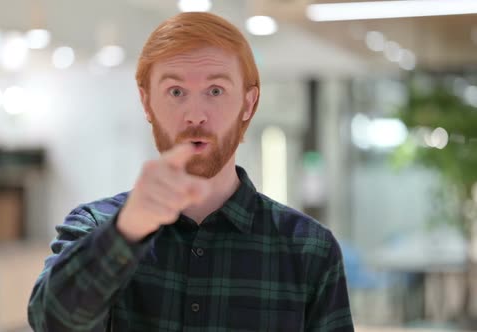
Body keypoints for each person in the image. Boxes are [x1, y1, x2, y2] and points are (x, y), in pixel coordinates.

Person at [28, 11, 353, 332]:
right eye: (176, 92)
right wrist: (128, 230)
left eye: (215, 91)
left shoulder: (310, 249)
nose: (195, 115)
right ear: (146, 103)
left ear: (248, 104)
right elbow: (52, 321)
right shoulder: (94, 226)